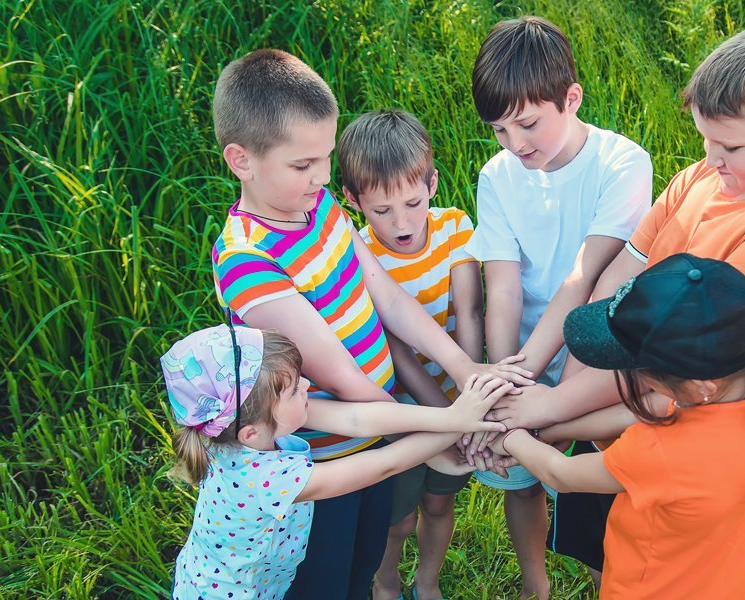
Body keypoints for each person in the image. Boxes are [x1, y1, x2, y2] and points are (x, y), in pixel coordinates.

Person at [488, 22, 745, 579]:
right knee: (605, 549)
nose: (712, 160)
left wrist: (546, 410)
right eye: (707, 142)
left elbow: (676, 351)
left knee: (655, 564)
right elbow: (621, 273)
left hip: (686, 438)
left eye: (731, 146)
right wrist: (553, 395)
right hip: (620, 403)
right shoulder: (710, 177)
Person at [208, 49, 532, 599]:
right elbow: (336, 373)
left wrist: (464, 369)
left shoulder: (322, 208)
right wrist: (437, 428)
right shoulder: (246, 260)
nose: (323, 177)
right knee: (326, 582)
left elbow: (388, 298)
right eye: (303, 165)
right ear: (242, 160)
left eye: (326, 158)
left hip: (375, 433)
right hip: (320, 458)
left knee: (362, 565)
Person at [489, 254, 745, 599]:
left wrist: (511, 438)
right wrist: (553, 428)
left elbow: (562, 474)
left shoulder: (663, 452)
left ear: (699, 387)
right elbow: (648, 410)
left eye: (638, 373)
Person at [464, 16, 653, 598]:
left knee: (597, 492)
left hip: (590, 349)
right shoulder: (497, 176)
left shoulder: (623, 164)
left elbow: (584, 281)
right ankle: (534, 585)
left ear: (570, 98)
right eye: (498, 130)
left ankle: (610, 580)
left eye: (527, 124)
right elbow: (503, 286)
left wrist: (531, 402)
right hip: (523, 349)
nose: (515, 144)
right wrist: (505, 382)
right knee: (520, 482)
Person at [163, 325, 514, 599]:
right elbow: (385, 464)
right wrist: (462, 423)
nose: (307, 384)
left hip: (247, 581)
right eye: (294, 389)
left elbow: (357, 420)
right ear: (251, 434)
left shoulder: (240, 424)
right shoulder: (268, 479)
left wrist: (455, 419)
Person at [338, 109, 483, 600]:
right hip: (402, 412)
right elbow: (395, 349)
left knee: (441, 508)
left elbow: (469, 312)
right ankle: (386, 584)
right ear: (352, 200)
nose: (401, 222)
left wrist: (473, 395)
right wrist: (447, 418)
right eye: (381, 211)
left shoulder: (456, 230)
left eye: (413, 202)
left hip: (455, 397)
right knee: (397, 519)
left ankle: (428, 582)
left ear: (433, 184)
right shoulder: (362, 257)